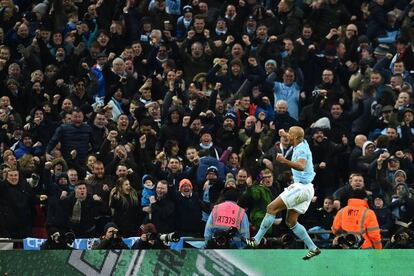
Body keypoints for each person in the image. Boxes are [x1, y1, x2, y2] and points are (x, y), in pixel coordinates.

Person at [244, 126, 320, 260]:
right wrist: (284, 133)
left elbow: (301, 166)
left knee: (271, 208)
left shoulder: (301, 149)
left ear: (295, 138)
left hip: (301, 188)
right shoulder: (302, 142)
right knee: (291, 222)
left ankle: (256, 240)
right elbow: (295, 135)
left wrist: (284, 161)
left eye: (289, 134)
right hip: (307, 188)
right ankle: (313, 248)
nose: (287, 136)